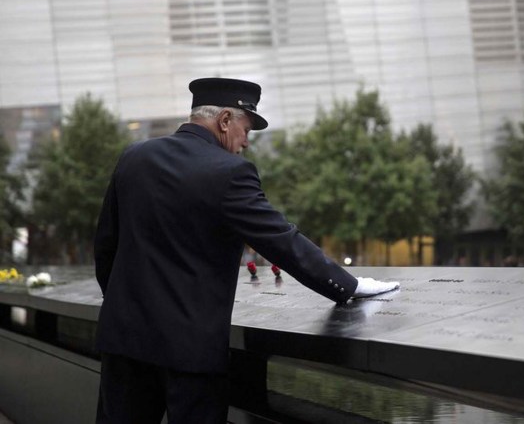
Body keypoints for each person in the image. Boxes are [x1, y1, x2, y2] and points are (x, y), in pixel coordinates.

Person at [93, 78, 399, 423]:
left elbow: (105, 246)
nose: (245, 143)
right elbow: (281, 240)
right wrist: (348, 285)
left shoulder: (134, 157)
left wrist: (124, 307)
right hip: (190, 353)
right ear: (225, 120)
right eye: (246, 129)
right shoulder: (229, 172)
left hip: (123, 341)